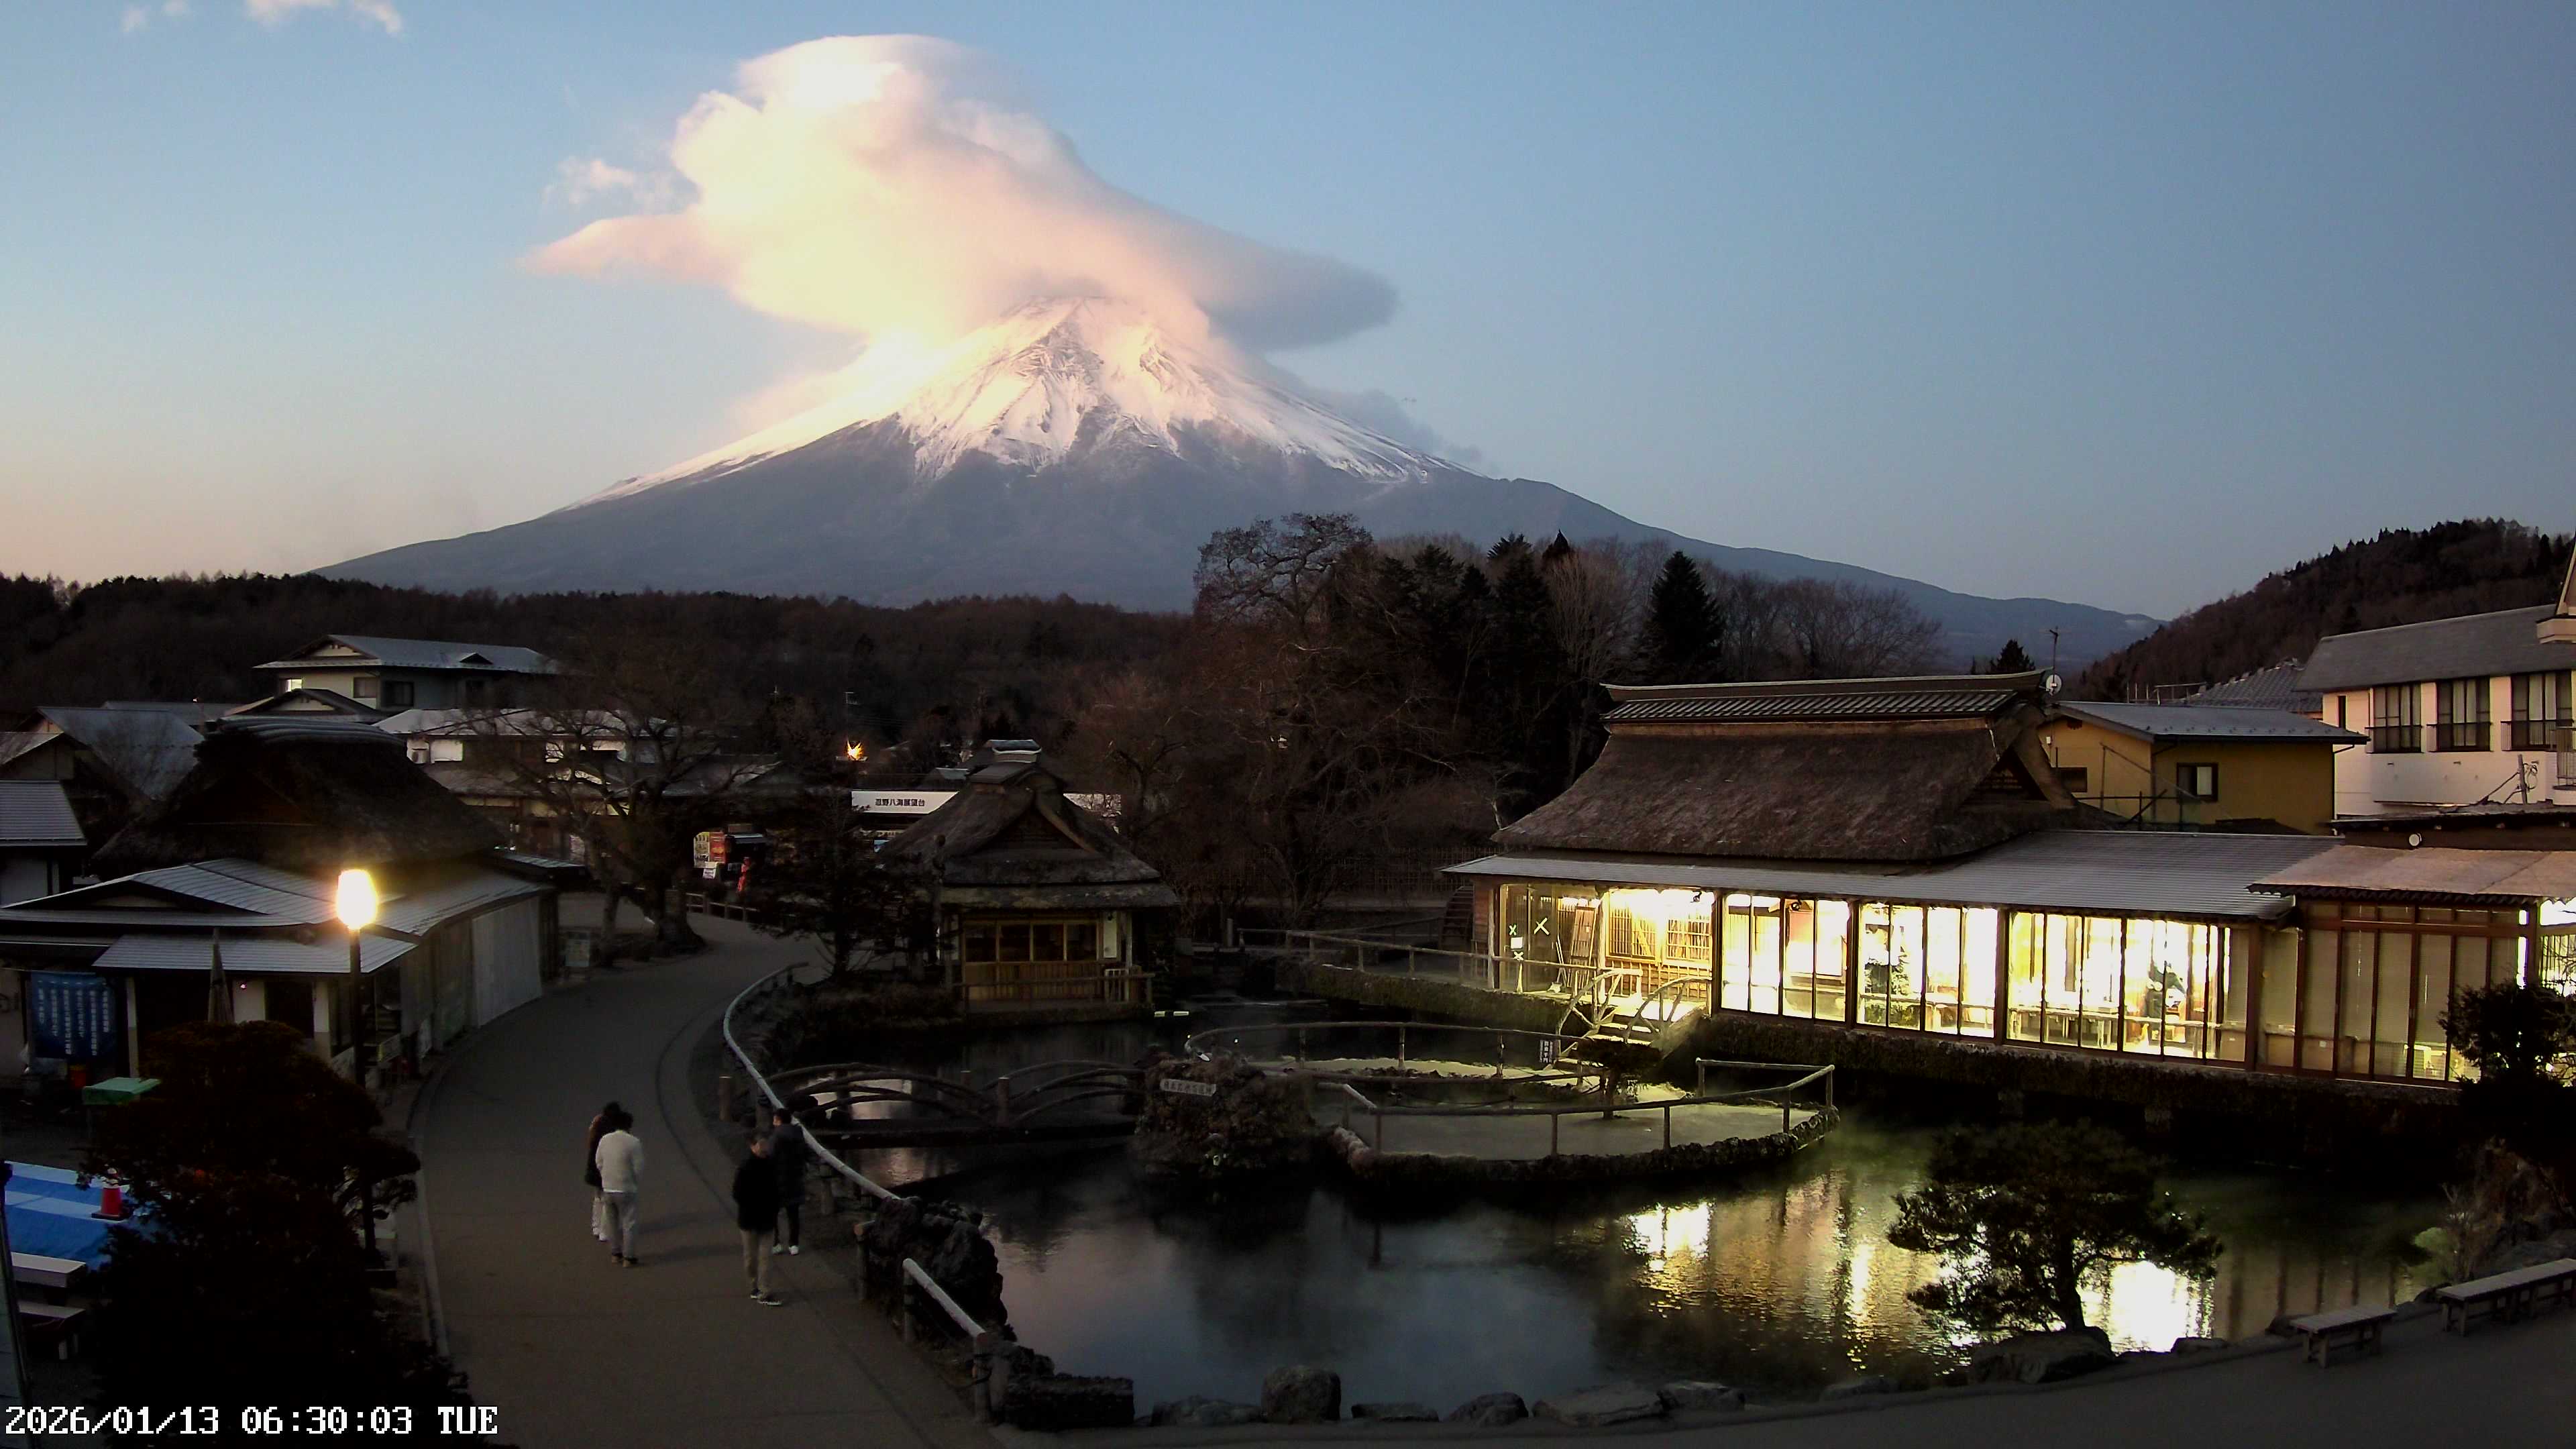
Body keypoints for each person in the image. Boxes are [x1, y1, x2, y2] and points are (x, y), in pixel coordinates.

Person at [731, 1134, 784, 1305]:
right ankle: (754, 1286)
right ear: (752, 1146)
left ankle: (764, 1290)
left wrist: (776, 1206)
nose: (765, 1148)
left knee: (766, 1257)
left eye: (766, 1144)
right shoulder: (745, 1168)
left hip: (767, 1219)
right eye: (761, 1144)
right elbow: (737, 1194)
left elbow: (778, 1189)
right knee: (750, 1258)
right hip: (749, 1220)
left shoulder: (772, 1165)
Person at [594, 1108, 644, 1266]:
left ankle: (615, 1253)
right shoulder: (634, 1142)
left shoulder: (605, 1140)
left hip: (608, 1187)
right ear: (629, 1126)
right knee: (629, 1223)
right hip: (627, 1188)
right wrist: (634, 1181)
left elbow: (599, 1162)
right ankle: (629, 1257)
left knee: (612, 1223)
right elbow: (639, 1167)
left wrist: (606, 1177)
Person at [767, 1106, 808, 1256]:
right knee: (793, 1214)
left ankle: (776, 1243)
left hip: (778, 1179)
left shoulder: (775, 1137)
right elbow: (805, 1153)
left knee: (772, 1213)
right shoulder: (798, 1134)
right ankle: (794, 1244)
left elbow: (770, 1157)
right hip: (795, 1178)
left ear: (778, 1120)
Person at [584, 1100, 623, 1243]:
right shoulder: (610, 1130)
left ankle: (596, 1227)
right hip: (605, 1168)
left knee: (598, 1198)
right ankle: (604, 1232)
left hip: (593, 1167)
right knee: (607, 1201)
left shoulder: (596, 1124)